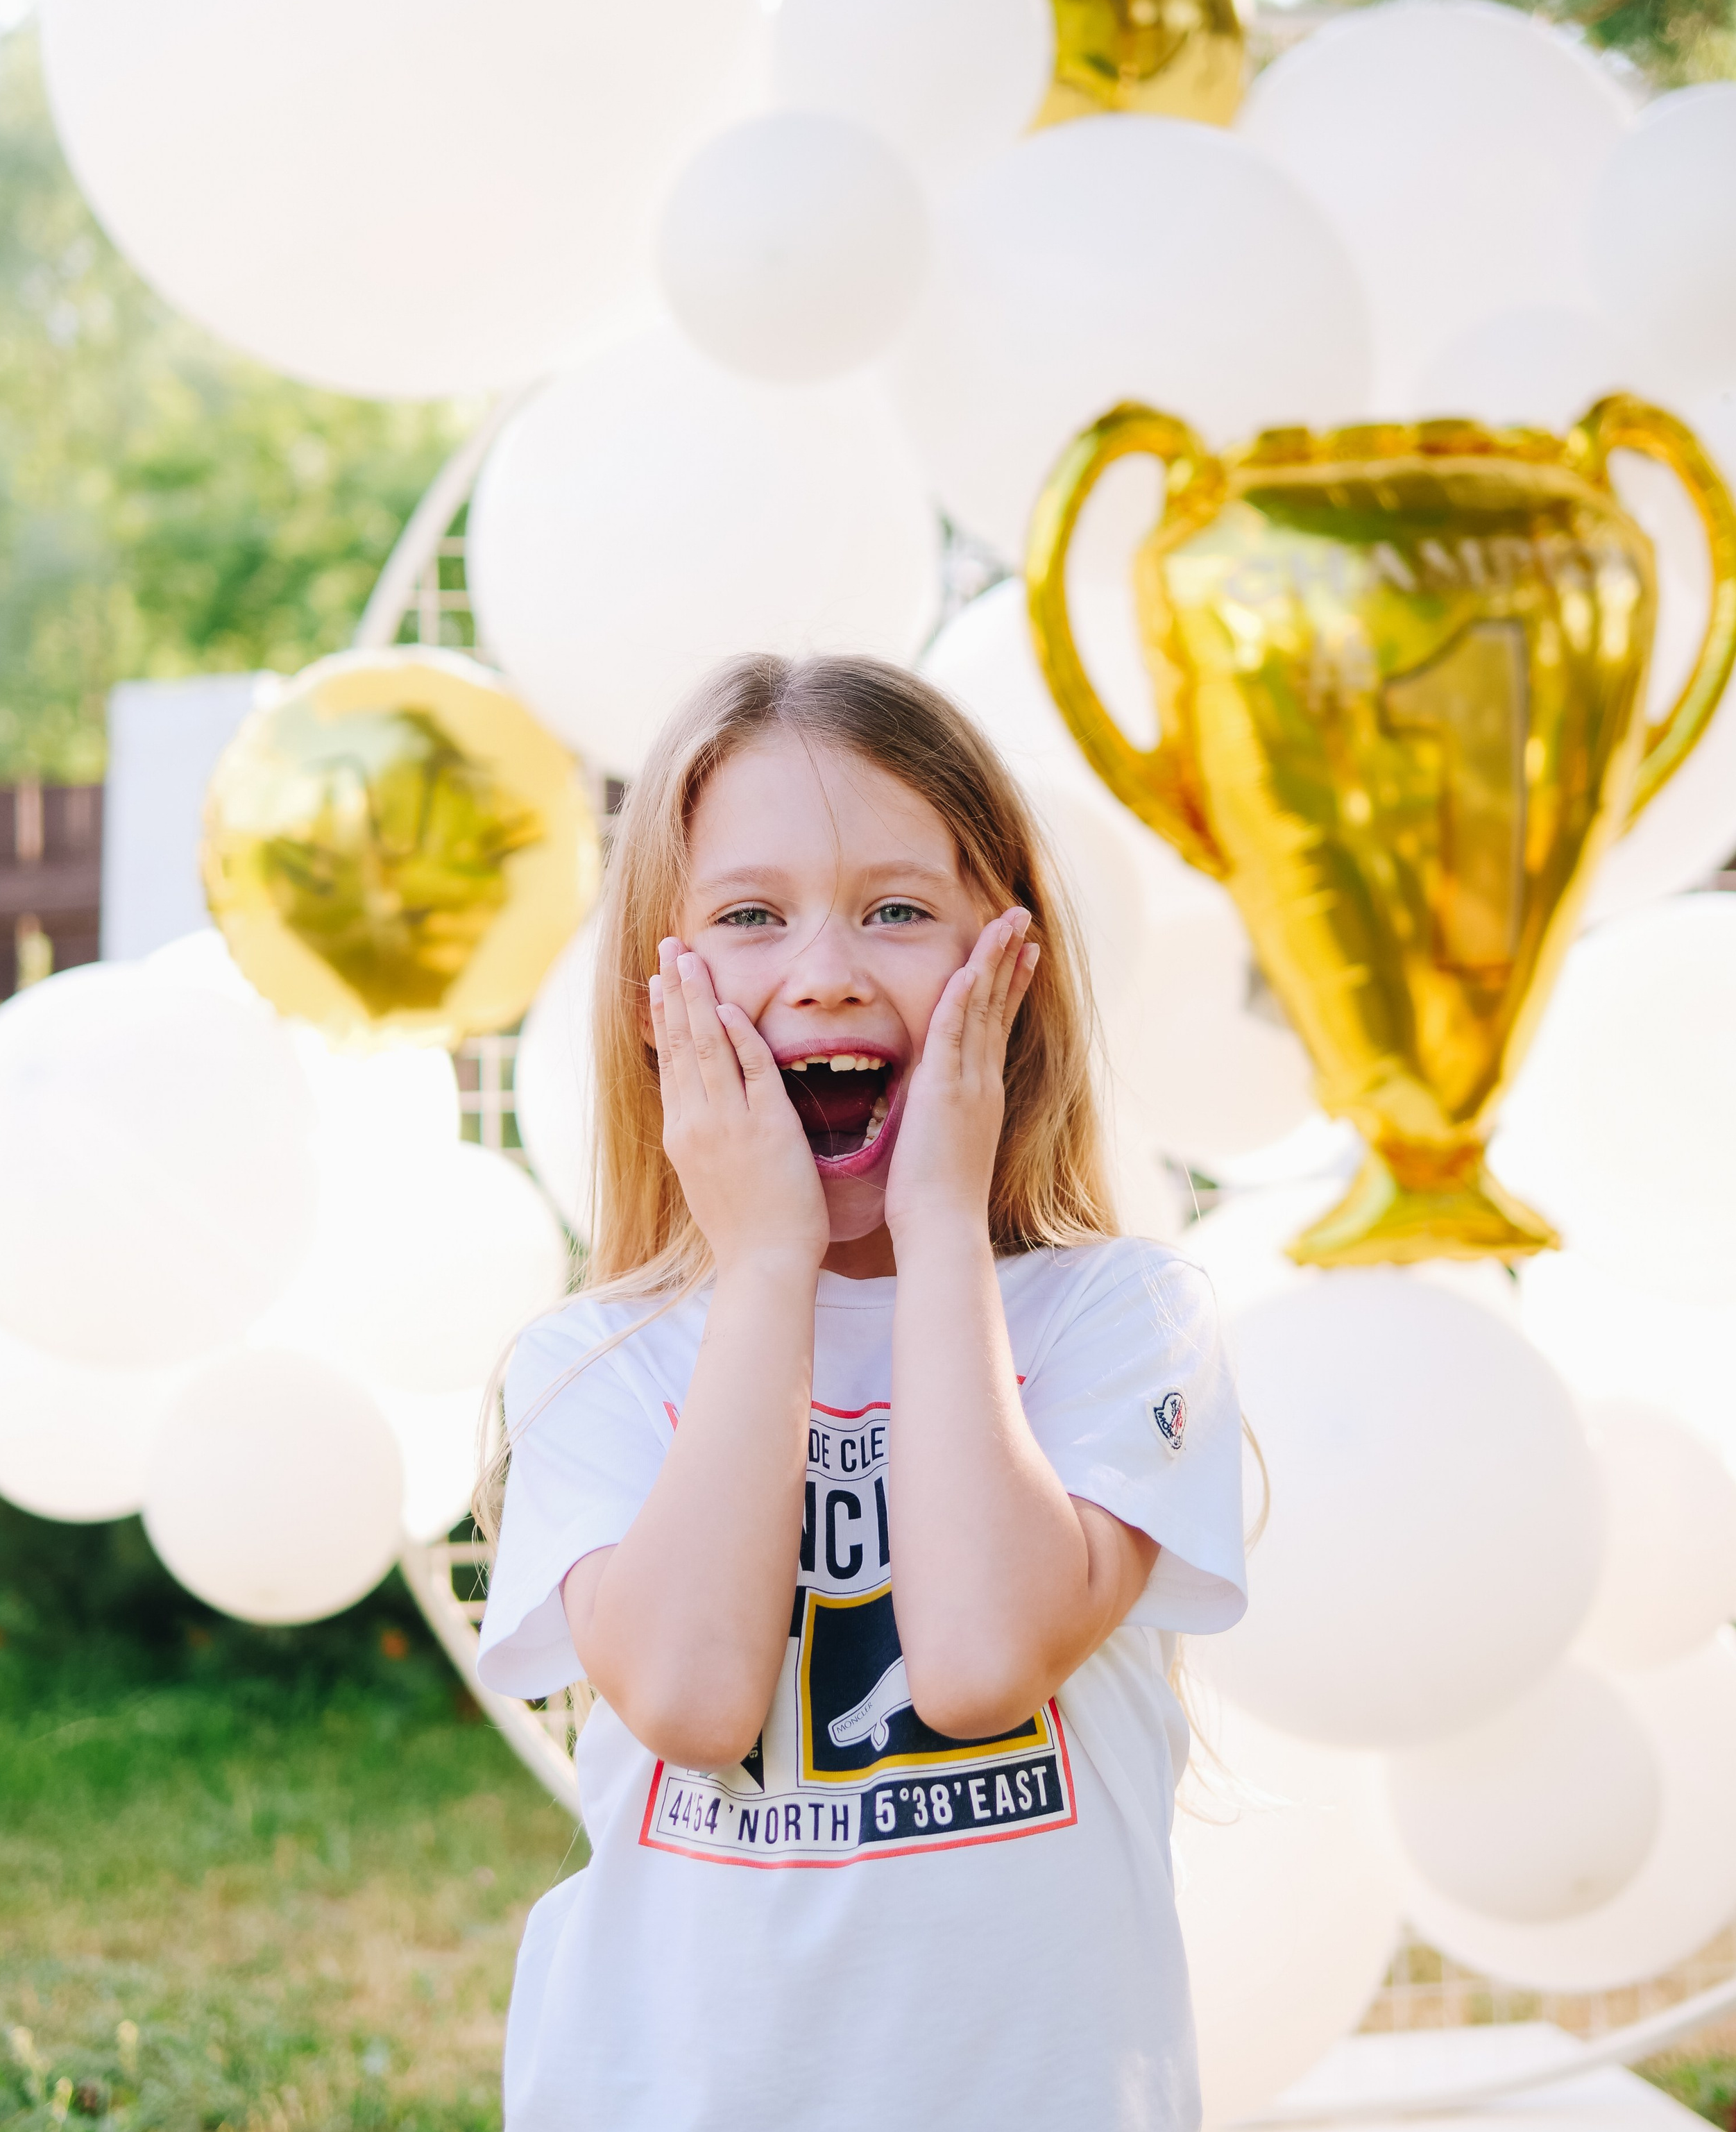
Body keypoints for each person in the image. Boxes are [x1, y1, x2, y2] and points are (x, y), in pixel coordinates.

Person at [475, 653, 1246, 2131]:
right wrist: (768, 1263)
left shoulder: (1126, 1321)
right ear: (655, 999)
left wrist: (942, 1224)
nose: (824, 971)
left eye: (896, 910)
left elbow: (979, 1662)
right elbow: (692, 1696)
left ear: (1008, 970)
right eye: (748, 916)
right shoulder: (591, 1361)